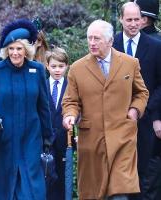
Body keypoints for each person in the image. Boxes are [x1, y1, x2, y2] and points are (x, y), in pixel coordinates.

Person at [62, 19, 149, 199]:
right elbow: (71, 101)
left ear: (110, 41)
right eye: (89, 38)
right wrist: (70, 115)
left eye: (97, 39)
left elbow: (142, 93)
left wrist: (134, 111)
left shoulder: (129, 63)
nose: (92, 43)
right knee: (94, 194)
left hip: (123, 138)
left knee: (119, 192)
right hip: (92, 141)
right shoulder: (77, 69)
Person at [0, 19, 53, 200]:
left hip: (31, 140)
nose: (15, 53)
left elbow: (43, 107)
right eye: (11, 48)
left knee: (30, 189)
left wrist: (48, 137)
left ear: (26, 49)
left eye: (19, 48)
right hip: (4, 139)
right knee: (3, 189)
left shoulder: (37, 70)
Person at [113, 2, 161, 199]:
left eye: (137, 19)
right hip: (116, 120)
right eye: (129, 19)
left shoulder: (156, 47)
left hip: (146, 120)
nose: (134, 24)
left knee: (145, 174)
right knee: (119, 173)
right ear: (121, 20)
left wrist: (146, 110)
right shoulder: (111, 44)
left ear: (143, 19)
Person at [45, 46, 69, 200]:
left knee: (62, 178)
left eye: (61, 66)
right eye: (53, 66)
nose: (57, 70)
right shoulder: (41, 84)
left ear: (67, 66)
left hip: (64, 139)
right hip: (45, 139)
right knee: (47, 176)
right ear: (47, 66)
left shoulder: (71, 85)